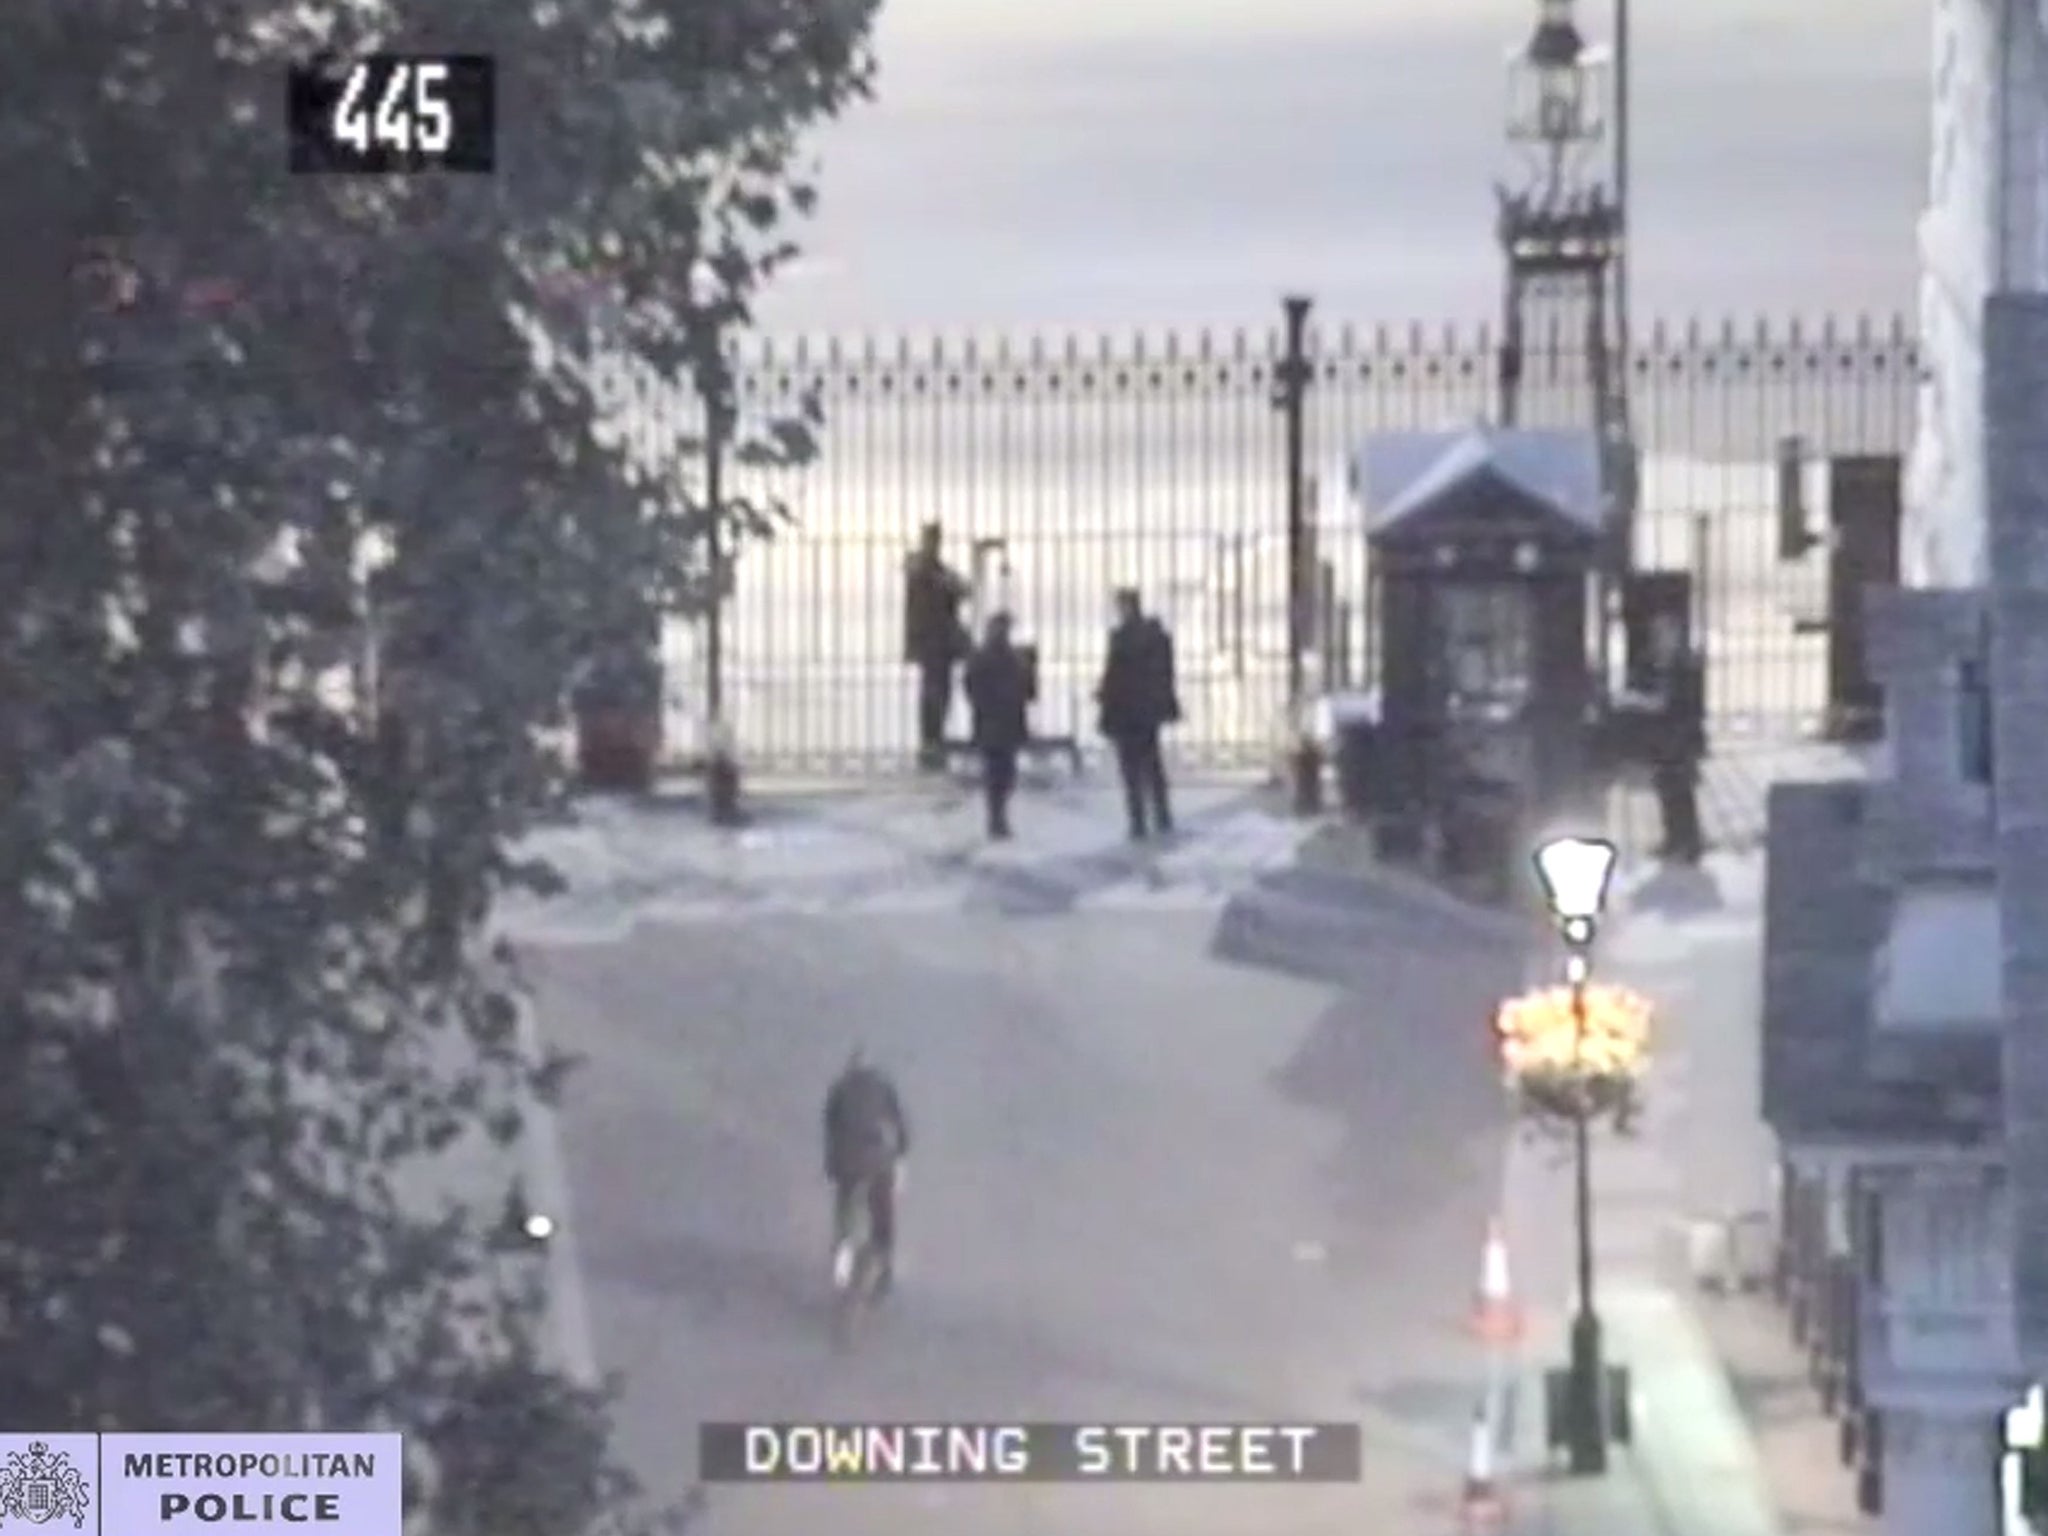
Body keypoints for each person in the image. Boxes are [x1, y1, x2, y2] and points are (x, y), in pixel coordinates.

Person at [823, 1047, 910, 1294]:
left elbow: (830, 1128)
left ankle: (841, 1263)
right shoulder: (883, 1087)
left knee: (845, 1212)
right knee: (884, 1216)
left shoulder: (839, 1089)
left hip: (846, 1163)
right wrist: (901, 1154)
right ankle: (883, 1269)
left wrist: (831, 1165)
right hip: (878, 1161)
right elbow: (900, 1125)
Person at [1096, 587, 1181, 840]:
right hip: (1148, 712)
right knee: (1152, 765)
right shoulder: (1157, 637)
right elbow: (1166, 675)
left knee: (1131, 769)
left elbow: (1113, 677)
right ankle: (1162, 815)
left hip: (1126, 712)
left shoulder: (1121, 638)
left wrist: (1104, 701)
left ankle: (1138, 821)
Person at [902, 523, 970, 770]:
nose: (934, 544)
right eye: (931, 539)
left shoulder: (935, 568)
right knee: (933, 692)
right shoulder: (921, 567)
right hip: (930, 640)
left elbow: (961, 588)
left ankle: (934, 740)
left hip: (941, 641)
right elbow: (949, 586)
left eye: (937, 539)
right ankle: (930, 741)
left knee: (941, 691)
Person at [963, 612, 1032, 840]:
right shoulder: (991, 658)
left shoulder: (1005, 657)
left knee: (1002, 772)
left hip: (998, 721)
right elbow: (972, 686)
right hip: (999, 721)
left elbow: (971, 686)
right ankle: (997, 818)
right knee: (999, 772)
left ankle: (998, 816)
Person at [1646, 617, 1706, 864]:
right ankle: (1673, 838)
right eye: (1657, 637)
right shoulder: (1662, 665)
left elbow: (1679, 704)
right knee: (1666, 787)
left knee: (1680, 790)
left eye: (1664, 636)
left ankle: (1689, 841)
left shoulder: (1683, 666)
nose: (1659, 642)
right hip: (1667, 736)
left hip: (1680, 737)